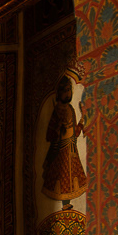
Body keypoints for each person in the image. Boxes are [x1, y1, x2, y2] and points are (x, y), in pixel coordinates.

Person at [41, 75, 88, 207]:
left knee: (74, 178)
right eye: (64, 91)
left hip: (71, 148)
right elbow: (49, 135)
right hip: (60, 150)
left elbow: (75, 133)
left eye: (69, 90)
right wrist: (57, 128)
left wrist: (82, 120)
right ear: (59, 93)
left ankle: (67, 203)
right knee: (61, 178)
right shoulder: (56, 111)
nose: (67, 94)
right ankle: (64, 203)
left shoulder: (71, 110)